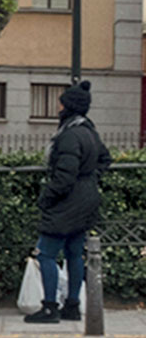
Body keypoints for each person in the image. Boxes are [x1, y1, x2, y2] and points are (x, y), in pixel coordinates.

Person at [27, 80, 112, 324]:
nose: (57, 108)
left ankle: (50, 307)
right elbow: (106, 159)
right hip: (87, 197)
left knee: (46, 253)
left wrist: (47, 197)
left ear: (69, 107)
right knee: (75, 253)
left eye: (60, 103)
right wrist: (90, 178)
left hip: (67, 201)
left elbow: (65, 175)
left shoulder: (69, 135)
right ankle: (72, 305)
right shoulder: (89, 131)